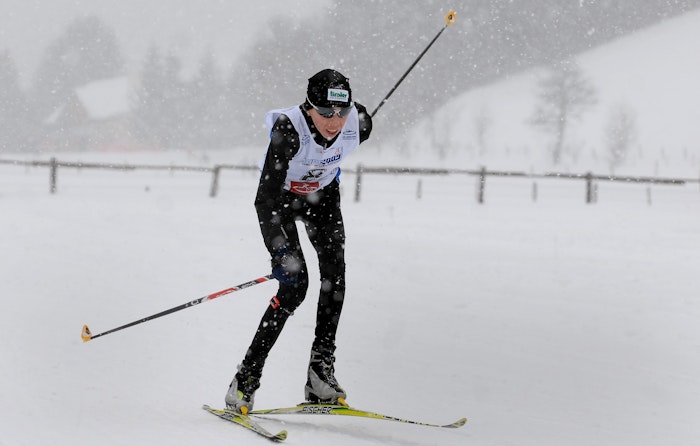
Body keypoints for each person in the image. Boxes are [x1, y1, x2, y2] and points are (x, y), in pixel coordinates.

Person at [225, 69, 373, 414]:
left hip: (322, 198)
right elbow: (264, 199)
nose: (334, 122)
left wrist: (350, 119)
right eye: (325, 113)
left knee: (335, 277)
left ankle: (320, 373)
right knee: (295, 287)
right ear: (309, 108)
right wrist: (280, 252)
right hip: (280, 200)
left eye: (341, 112)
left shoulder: (359, 122)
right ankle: (245, 379)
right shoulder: (289, 130)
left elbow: (359, 124)